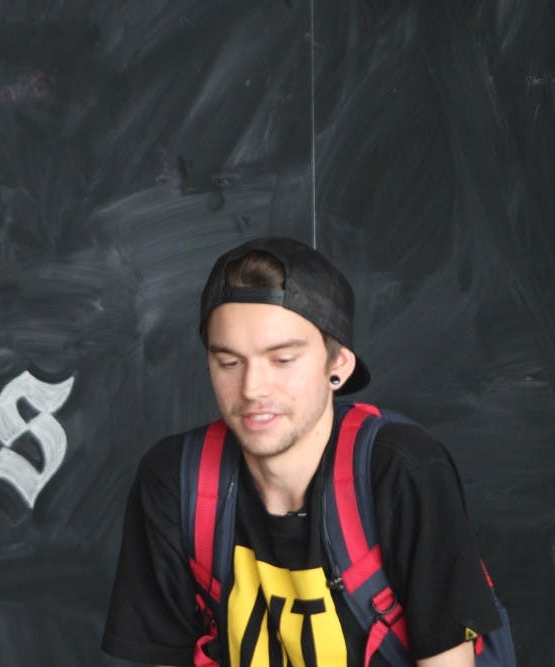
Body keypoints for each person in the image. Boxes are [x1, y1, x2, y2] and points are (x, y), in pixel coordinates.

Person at [101, 237, 501, 666]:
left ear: (338, 367)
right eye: (230, 362)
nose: (252, 388)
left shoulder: (401, 472)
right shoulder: (176, 480)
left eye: (283, 360)